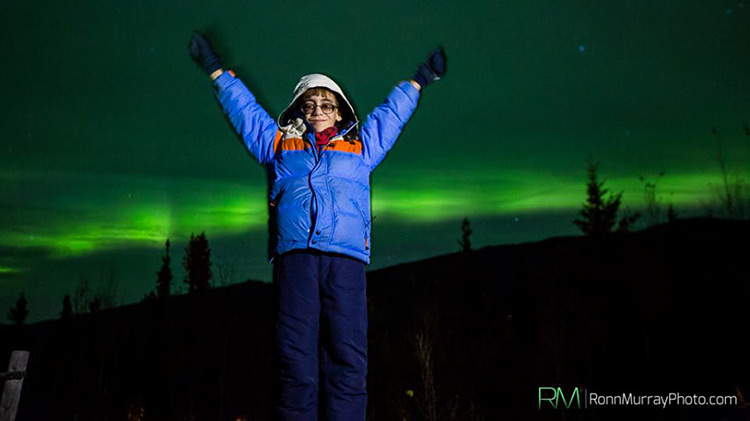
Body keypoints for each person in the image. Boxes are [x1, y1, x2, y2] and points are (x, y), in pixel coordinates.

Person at [189, 32, 445, 421]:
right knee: (295, 359)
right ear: (299, 112)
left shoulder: (361, 149)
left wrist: (420, 78)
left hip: (346, 262)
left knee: (348, 357)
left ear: (340, 111)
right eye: (310, 104)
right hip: (297, 262)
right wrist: (215, 70)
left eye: (327, 103)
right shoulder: (279, 147)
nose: (319, 109)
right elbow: (246, 112)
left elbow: (391, 114)